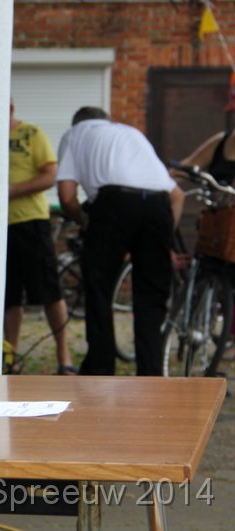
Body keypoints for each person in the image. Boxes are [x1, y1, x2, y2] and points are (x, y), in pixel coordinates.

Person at [56, 106, 184, 376]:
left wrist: (85, 221)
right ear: (108, 121)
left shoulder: (74, 134)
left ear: (78, 122)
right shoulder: (130, 133)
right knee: (151, 295)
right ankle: (150, 372)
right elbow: (178, 196)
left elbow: (67, 196)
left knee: (99, 286)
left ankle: (100, 367)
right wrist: (163, 241)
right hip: (158, 204)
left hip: (114, 203)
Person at [0, 101, 73, 375]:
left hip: (31, 221)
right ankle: (9, 356)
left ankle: (64, 356)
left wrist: (12, 189)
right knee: (7, 294)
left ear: (10, 107)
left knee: (49, 289)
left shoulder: (32, 134)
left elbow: (50, 175)